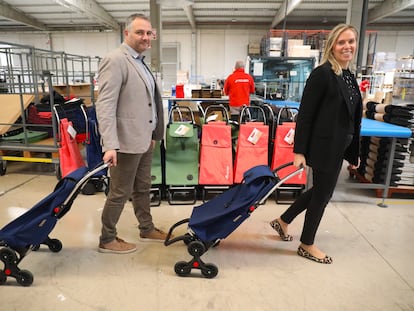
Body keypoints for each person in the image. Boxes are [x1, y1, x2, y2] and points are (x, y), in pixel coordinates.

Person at [269, 24, 363, 264]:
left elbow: (352, 118)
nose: (347, 46)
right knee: (323, 195)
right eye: (341, 42)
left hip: (340, 146)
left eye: (351, 41)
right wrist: (299, 151)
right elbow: (306, 114)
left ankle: (283, 221)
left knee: (321, 191)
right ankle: (306, 243)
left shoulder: (349, 76)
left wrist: (354, 152)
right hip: (324, 147)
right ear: (332, 45)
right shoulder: (323, 74)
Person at [96, 13, 167, 254]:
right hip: (124, 142)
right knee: (119, 192)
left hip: (144, 139)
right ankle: (107, 238)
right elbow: (105, 105)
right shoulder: (116, 60)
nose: (145, 37)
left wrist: (152, 135)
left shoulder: (139, 61)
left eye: (148, 33)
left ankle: (146, 227)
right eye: (139, 32)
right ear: (126, 33)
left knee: (143, 187)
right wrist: (109, 145)